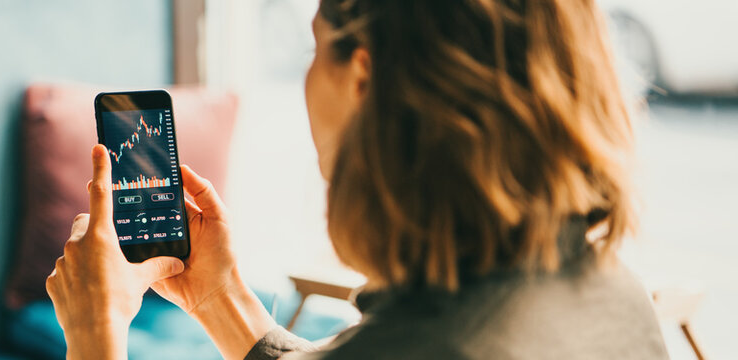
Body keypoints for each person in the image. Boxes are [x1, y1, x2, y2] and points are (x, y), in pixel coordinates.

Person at [44, 0, 670, 359]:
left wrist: (96, 332)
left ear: (363, 79)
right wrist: (220, 297)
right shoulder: (616, 294)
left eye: (316, 47)